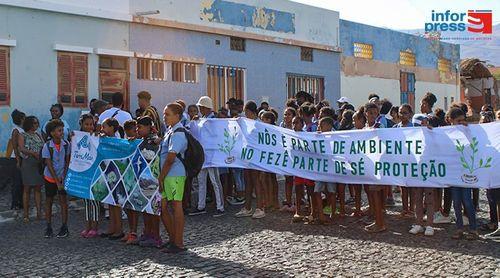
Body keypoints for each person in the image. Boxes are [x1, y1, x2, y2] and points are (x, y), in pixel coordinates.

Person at [159, 102, 188, 253]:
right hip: (168, 175)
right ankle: (172, 238)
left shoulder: (178, 133)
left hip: (174, 174)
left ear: (177, 116)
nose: (164, 117)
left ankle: (178, 242)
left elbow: (171, 158)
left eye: (167, 114)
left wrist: (161, 177)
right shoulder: (170, 131)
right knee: (163, 207)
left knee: (176, 206)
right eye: (164, 114)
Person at [445, 107, 478, 240]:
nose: (461, 123)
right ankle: (459, 228)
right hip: (454, 172)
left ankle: (473, 229)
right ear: (450, 121)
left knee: (467, 201)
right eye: (458, 121)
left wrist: (468, 130)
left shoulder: (468, 131)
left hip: (465, 171)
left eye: (463, 120)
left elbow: (475, 143)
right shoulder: (446, 133)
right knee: (456, 202)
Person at [189, 96, 225, 216]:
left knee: (215, 181)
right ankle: (201, 206)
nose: (199, 109)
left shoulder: (214, 120)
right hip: (203, 156)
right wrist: (194, 122)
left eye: (200, 107)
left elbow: (215, 135)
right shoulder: (202, 119)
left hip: (212, 156)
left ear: (204, 107)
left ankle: (220, 207)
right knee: (201, 181)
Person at [134, 116, 162, 248]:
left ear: (148, 127)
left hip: (154, 181)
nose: (137, 129)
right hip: (143, 180)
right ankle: (147, 232)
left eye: (140, 127)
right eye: (136, 127)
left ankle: (156, 236)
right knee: (145, 209)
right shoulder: (142, 140)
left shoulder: (155, 140)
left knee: (154, 210)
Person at [235, 101, 266, 219]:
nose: (245, 114)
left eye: (246, 112)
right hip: (247, 155)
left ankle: (260, 207)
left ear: (251, 112)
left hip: (255, 156)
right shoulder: (247, 123)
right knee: (248, 181)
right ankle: (247, 207)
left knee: (256, 180)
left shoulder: (258, 124)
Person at [42, 119, 70, 238]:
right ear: (52, 133)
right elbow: (49, 164)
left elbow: (67, 161)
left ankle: (64, 226)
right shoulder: (47, 146)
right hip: (50, 177)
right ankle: (48, 226)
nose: (62, 132)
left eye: (62, 130)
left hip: (62, 177)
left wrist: (64, 176)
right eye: (59, 130)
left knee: (63, 202)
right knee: (49, 201)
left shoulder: (67, 144)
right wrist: (57, 181)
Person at [99, 118, 124, 240]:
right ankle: (112, 228)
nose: (102, 129)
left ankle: (118, 229)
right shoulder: (105, 139)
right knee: (110, 201)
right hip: (107, 172)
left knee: (116, 203)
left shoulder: (116, 141)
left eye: (105, 127)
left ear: (112, 128)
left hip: (115, 173)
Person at [364, 102, 386, 233]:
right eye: (370, 112)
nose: (372, 115)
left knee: (376, 192)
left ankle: (380, 222)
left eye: (374, 113)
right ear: (365, 113)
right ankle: (376, 219)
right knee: (371, 192)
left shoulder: (379, 126)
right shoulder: (365, 127)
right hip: (368, 163)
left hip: (378, 163)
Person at [18, 116, 44, 222]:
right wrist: (33, 153)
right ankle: (26, 214)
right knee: (27, 188)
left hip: (38, 163)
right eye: (34, 123)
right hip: (28, 163)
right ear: (29, 124)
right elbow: (22, 148)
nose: (36, 125)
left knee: (38, 189)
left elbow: (44, 145)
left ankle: (39, 212)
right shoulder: (22, 135)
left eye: (37, 123)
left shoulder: (38, 134)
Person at [78, 114, 100, 238]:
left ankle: (95, 227)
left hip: (94, 172)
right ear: (81, 125)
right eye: (86, 124)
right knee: (86, 200)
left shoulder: (96, 137)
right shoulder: (77, 137)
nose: (89, 126)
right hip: (84, 172)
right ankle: (87, 226)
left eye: (91, 124)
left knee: (94, 201)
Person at [312, 117, 336, 224]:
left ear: (329, 127)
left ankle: (332, 212)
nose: (319, 128)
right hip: (319, 168)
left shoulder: (336, 137)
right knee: (317, 191)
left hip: (330, 168)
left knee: (331, 192)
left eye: (321, 126)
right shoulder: (317, 137)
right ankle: (321, 214)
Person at [394, 105, 414, 219]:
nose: (402, 115)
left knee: (412, 187)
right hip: (400, 160)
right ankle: (404, 209)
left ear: (410, 114)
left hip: (411, 160)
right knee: (403, 187)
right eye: (400, 113)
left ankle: (412, 209)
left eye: (405, 113)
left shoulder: (414, 128)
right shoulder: (395, 128)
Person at [279, 107, 297, 212]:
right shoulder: (282, 126)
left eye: (289, 114)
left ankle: (296, 203)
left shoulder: (296, 127)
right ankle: (288, 201)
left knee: (296, 181)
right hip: (286, 156)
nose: (286, 116)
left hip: (295, 157)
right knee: (288, 180)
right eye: (285, 114)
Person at [9, 109, 25, 210]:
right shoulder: (16, 130)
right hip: (16, 158)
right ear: (21, 119)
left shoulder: (20, 129)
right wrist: (18, 160)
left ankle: (20, 202)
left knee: (21, 182)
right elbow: (15, 147)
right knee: (17, 182)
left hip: (21, 157)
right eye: (24, 118)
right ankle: (15, 203)